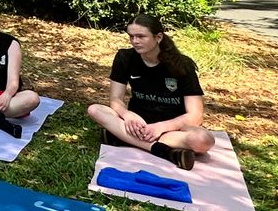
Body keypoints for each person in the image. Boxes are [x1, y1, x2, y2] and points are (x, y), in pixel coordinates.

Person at [87, 14, 217, 171]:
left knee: (204, 140)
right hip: (137, 124)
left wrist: (161, 127)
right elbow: (115, 99)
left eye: (141, 36)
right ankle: (165, 151)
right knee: (95, 109)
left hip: (170, 129)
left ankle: (120, 137)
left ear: (158, 37)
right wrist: (127, 115)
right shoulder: (125, 57)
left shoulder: (182, 65)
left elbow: (195, 116)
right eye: (131, 36)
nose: (135, 41)